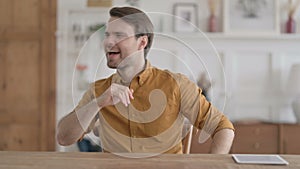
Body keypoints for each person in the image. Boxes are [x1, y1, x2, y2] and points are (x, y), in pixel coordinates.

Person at [57, 6, 234, 154]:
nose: (109, 42)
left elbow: (222, 128)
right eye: (107, 35)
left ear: (142, 42)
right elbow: (63, 138)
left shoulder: (176, 85)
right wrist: (98, 103)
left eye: (119, 35)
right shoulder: (100, 90)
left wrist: (213, 165)